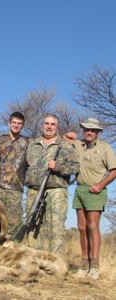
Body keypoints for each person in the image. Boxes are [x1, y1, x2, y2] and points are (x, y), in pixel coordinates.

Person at [64, 118, 116, 280]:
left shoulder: (104, 147)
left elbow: (114, 171)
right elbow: (60, 139)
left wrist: (100, 185)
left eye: (93, 130)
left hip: (95, 190)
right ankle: (84, 264)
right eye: (87, 129)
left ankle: (95, 266)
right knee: (81, 226)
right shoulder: (78, 144)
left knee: (93, 226)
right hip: (79, 189)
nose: (89, 132)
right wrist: (66, 134)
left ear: (98, 132)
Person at [25, 114, 80, 254]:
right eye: (46, 123)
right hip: (33, 191)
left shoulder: (65, 145)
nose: (49, 127)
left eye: (52, 124)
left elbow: (75, 167)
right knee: (32, 225)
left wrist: (58, 167)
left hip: (56, 191)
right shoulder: (32, 144)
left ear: (57, 127)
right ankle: (35, 261)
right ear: (42, 125)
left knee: (56, 226)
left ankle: (56, 263)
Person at [0, 112, 29, 239]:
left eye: (19, 123)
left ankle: (8, 252)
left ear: (22, 126)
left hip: (16, 190)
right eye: (14, 122)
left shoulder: (27, 143)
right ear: (9, 123)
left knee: (13, 224)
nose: (16, 125)